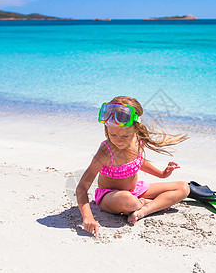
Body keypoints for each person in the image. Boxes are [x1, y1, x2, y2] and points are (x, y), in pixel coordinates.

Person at [75, 96, 190, 237]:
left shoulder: (138, 140)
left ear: (136, 129)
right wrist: (88, 217)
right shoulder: (105, 152)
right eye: (112, 134)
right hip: (110, 197)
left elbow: (138, 162)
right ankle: (147, 204)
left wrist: (162, 174)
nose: (118, 140)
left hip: (136, 190)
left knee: (184, 188)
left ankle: (143, 210)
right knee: (128, 199)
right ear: (107, 129)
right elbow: (81, 188)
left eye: (125, 136)